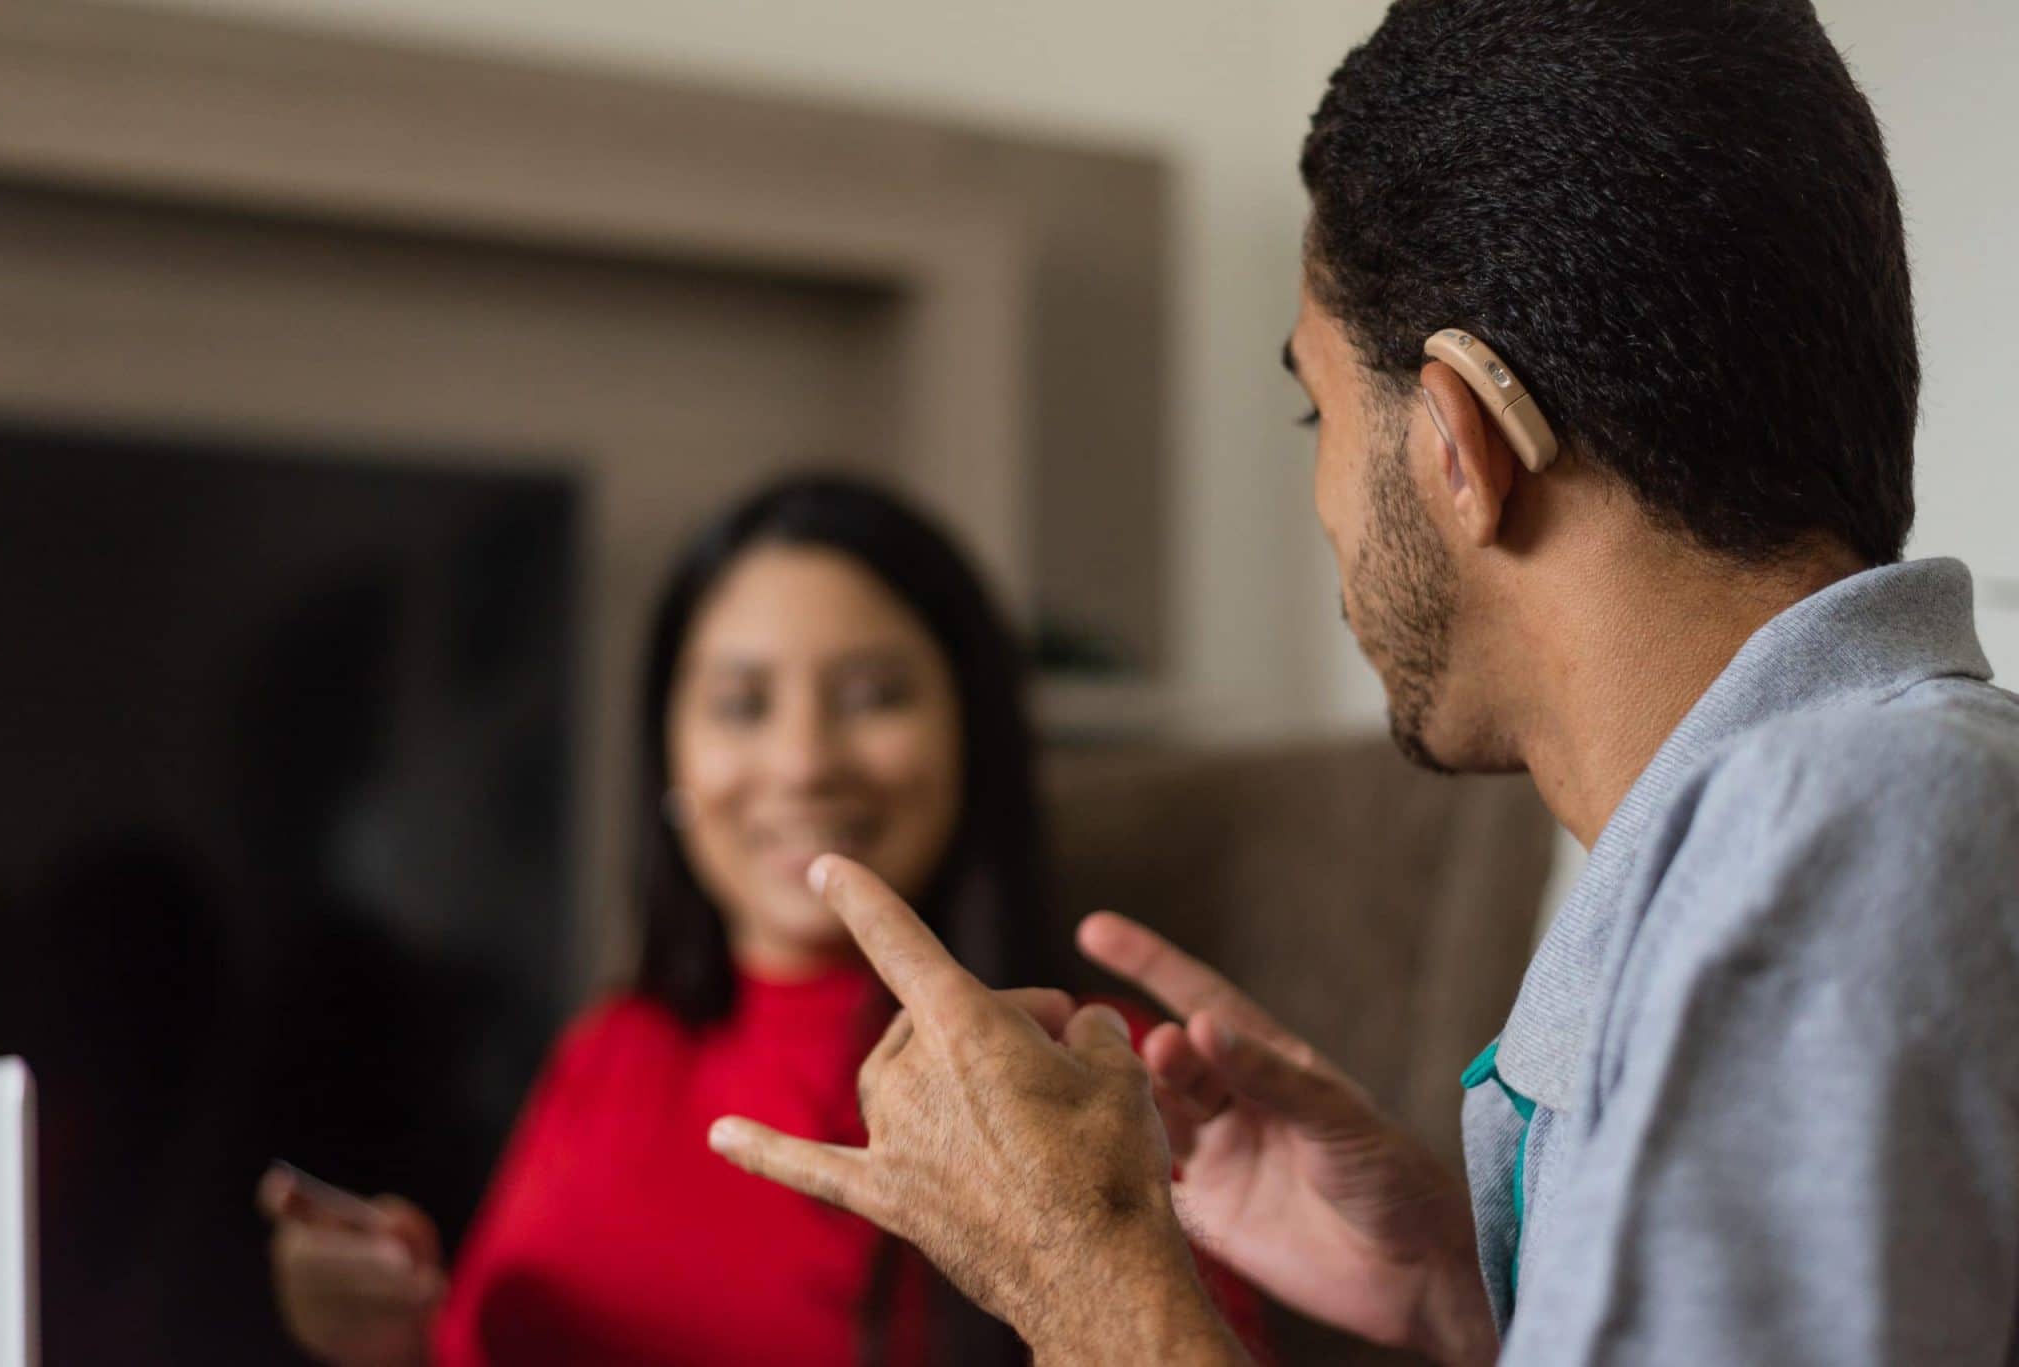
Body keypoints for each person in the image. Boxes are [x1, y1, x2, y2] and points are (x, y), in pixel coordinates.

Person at [709, 2, 2019, 1364]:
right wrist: (1473, 1289)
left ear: (1465, 438)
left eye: (1316, 410)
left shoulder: (1845, 831)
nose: (1324, 499)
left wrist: (1088, 1273)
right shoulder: (1838, 824)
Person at [258, 475, 1260, 1367]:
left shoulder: (1096, 1068)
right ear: (671, 764)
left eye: (871, 695)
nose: (800, 760)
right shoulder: (609, 1049)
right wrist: (386, 1338)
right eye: (740, 703)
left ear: (971, 736)